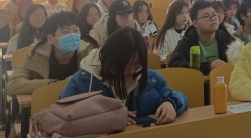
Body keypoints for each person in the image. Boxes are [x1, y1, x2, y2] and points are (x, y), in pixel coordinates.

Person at [60, 28, 188, 125]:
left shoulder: (149, 77)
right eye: (125, 66)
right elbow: (61, 115)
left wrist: (170, 103)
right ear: (109, 58)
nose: (131, 71)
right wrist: (106, 118)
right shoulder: (83, 81)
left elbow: (179, 96)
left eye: (137, 64)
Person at [7, 11, 93, 97]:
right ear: (51, 39)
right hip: (46, 102)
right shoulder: (37, 54)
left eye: (76, 30)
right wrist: (55, 84)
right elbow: (13, 85)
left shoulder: (90, 52)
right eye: (65, 31)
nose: (72, 35)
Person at [169, 1, 233, 75]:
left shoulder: (225, 37)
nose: (213, 19)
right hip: (196, 81)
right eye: (206, 16)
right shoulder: (188, 40)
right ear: (195, 23)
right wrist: (208, 66)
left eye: (214, 14)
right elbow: (173, 65)